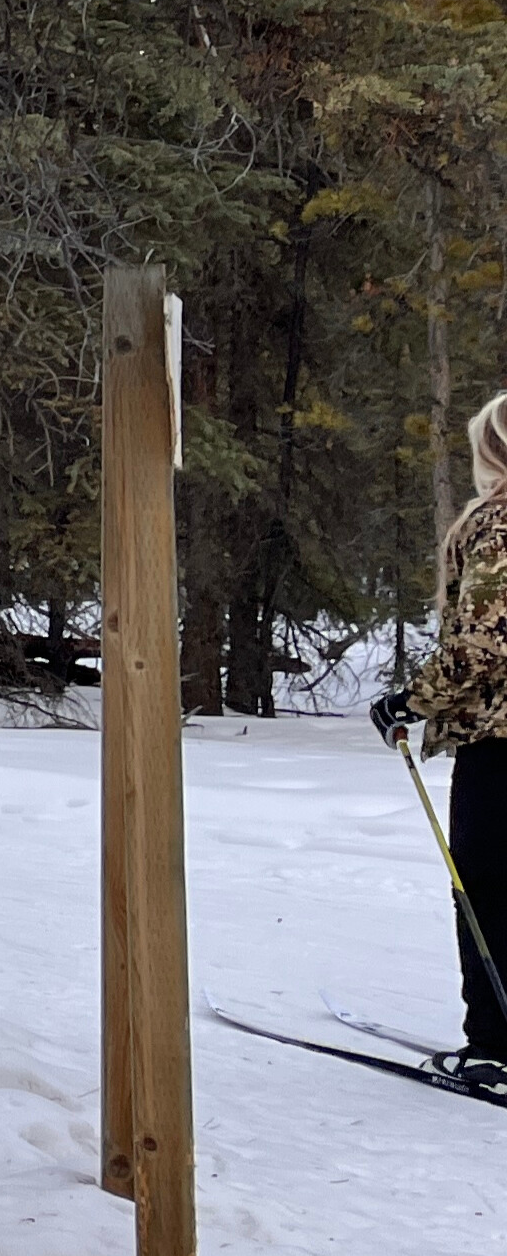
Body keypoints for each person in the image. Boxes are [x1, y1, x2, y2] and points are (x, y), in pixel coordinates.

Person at [376, 391, 507, 1093]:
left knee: (484, 888)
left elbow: (483, 641)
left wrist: (408, 699)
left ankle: (492, 1044)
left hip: (499, 742)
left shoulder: (497, 524)